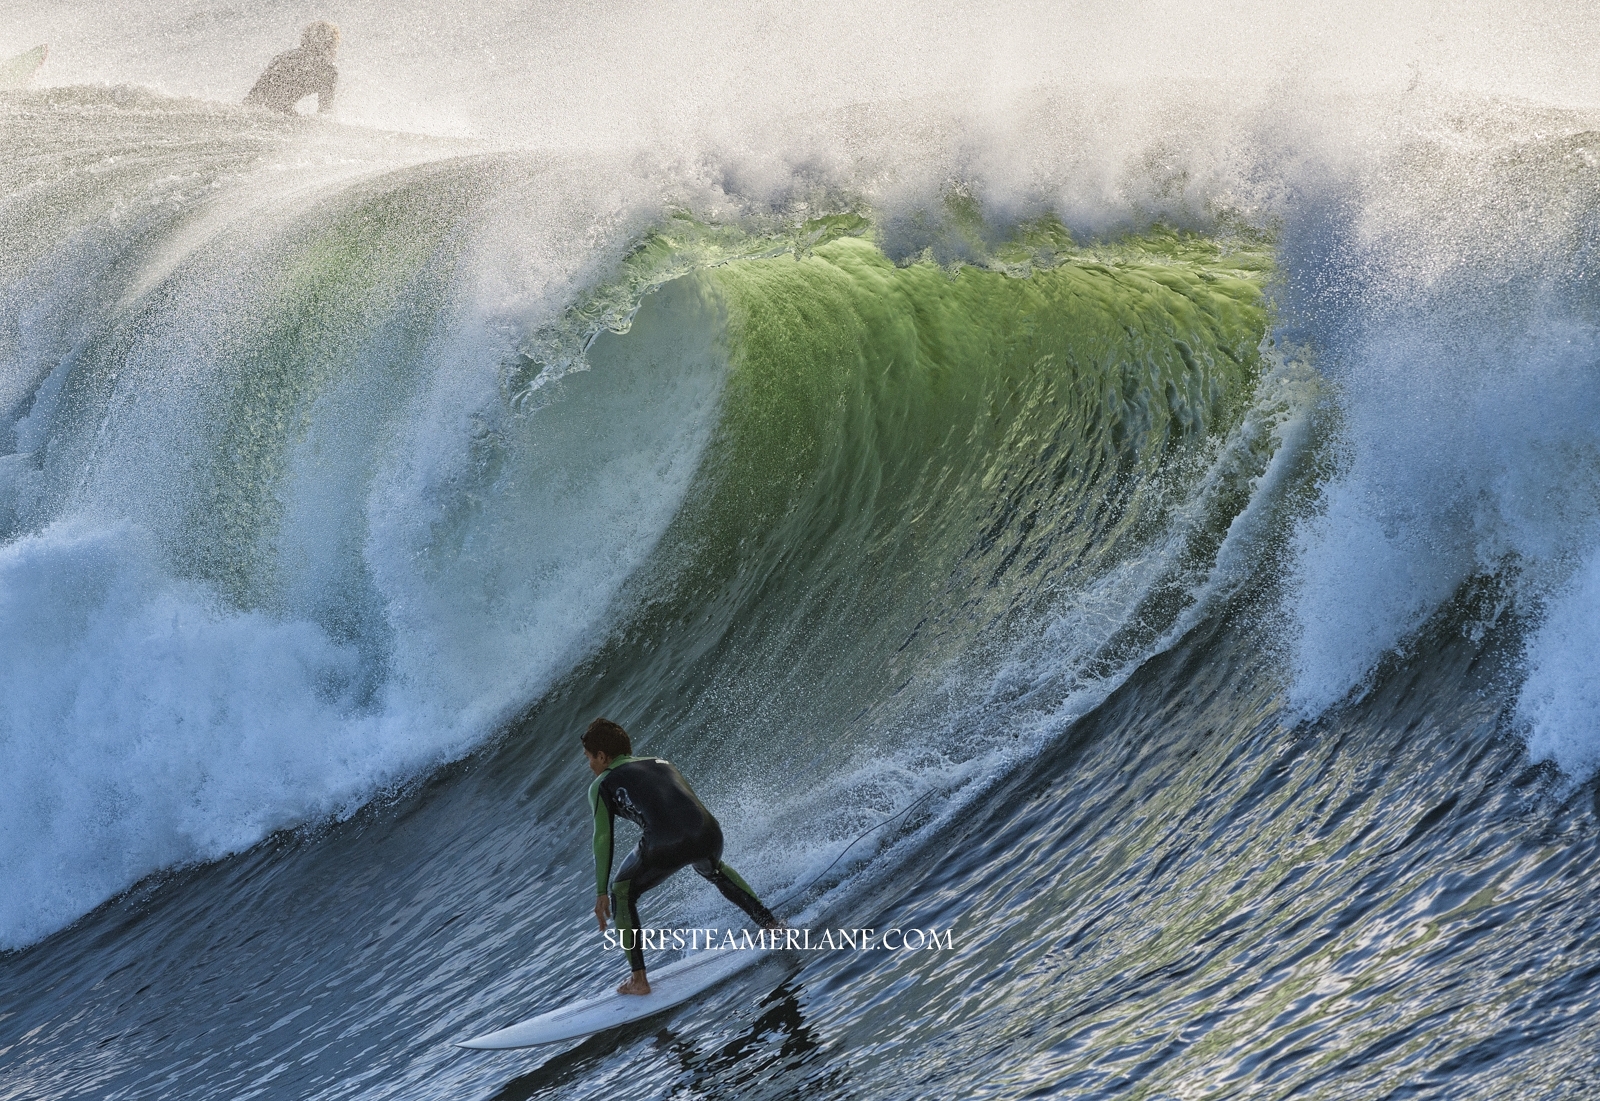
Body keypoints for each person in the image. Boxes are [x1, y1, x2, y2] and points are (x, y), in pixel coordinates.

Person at [584, 717, 781, 995]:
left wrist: (601, 891)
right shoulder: (660, 762)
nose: (590, 766)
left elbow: (603, 838)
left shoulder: (601, 784)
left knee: (621, 892)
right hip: (707, 831)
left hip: (665, 840)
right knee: (714, 870)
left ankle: (639, 980)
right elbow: (684, 803)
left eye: (589, 758)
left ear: (602, 756)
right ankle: (773, 925)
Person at [244, 21, 339, 114]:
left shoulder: (284, 59)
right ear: (331, 45)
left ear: (304, 40)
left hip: (262, 113)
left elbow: (253, 97)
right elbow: (325, 112)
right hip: (280, 115)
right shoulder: (328, 71)